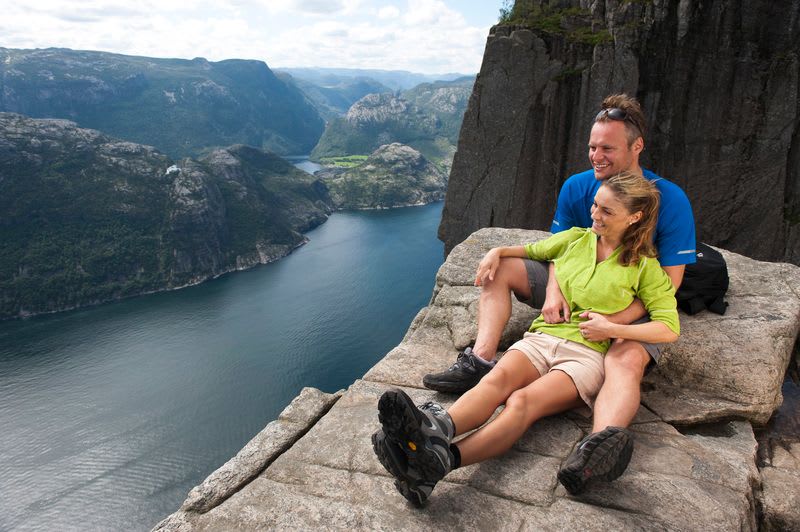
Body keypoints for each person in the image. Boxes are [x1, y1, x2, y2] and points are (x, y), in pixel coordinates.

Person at [421, 93, 695, 492]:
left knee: (624, 362)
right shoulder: (580, 189)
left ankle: (598, 448)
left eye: (607, 148)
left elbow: (668, 285)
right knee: (501, 274)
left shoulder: (667, 201)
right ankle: (480, 360)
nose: (596, 157)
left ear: (637, 147)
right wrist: (554, 292)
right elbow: (561, 249)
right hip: (570, 296)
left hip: (629, 307)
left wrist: (614, 323)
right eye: (592, 147)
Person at [372, 172, 680, 505]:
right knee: (495, 381)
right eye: (594, 205)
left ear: (634, 217)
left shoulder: (645, 268)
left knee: (522, 402)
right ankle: (433, 432)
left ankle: (442, 461)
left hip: (586, 356)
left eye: (606, 211)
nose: (595, 214)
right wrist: (497, 251)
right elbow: (532, 250)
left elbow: (668, 327)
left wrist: (612, 330)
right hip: (543, 337)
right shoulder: (576, 239)